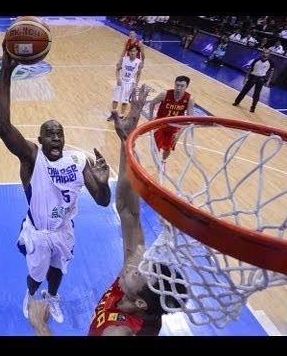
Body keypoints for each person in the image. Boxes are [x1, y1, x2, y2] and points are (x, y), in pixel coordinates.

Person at [28, 85, 188, 336]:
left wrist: (39, 324)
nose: (133, 266)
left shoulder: (119, 331)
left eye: (137, 273)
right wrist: (127, 142)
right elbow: (127, 211)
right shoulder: (137, 285)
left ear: (140, 304)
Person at [0, 39, 111, 324]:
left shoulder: (78, 161)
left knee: (58, 271)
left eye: (59, 132)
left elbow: (104, 201)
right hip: (39, 232)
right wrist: (6, 74)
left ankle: (53, 298)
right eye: (49, 133)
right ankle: (30, 295)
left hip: (64, 230)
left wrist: (104, 182)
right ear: (40, 140)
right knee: (36, 275)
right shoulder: (33, 159)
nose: (56, 137)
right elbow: (2, 126)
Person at [147, 76, 195, 171]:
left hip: (175, 127)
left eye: (182, 86)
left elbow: (190, 119)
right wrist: (150, 120)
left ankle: (163, 161)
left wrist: (179, 132)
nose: (178, 88)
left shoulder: (189, 99)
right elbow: (152, 103)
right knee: (155, 148)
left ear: (186, 86)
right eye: (177, 85)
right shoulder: (165, 94)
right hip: (160, 124)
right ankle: (156, 160)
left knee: (168, 148)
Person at [107, 45, 143, 121]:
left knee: (125, 101)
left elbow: (139, 74)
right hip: (121, 81)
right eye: (131, 51)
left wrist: (136, 84)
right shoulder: (123, 59)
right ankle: (113, 114)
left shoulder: (138, 62)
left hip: (130, 83)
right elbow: (117, 69)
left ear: (137, 52)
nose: (132, 53)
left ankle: (121, 116)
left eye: (134, 51)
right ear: (129, 52)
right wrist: (118, 78)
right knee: (115, 99)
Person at [232, 48, 274, 113]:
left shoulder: (271, 62)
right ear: (262, 53)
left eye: (266, 53)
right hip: (253, 77)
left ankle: (253, 108)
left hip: (261, 79)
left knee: (256, 94)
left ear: (269, 54)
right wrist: (245, 78)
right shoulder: (256, 60)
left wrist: (268, 81)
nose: (265, 54)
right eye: (264, 53)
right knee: (244, 90)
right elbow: (250, 69)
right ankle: (236, 102)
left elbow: (271, 72)